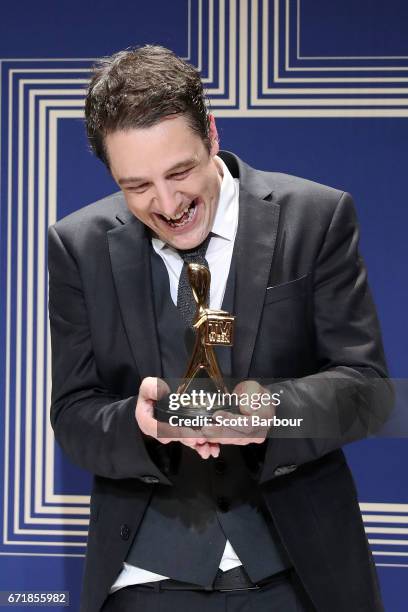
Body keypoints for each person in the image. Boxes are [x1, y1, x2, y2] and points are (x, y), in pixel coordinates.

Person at [48, 45, 393, 612]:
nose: (167, 203)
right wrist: (138, 427)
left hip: (299, 574)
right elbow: (74, 414)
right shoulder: (77, 245)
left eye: (180, 171)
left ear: (211, 131)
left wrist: (273, 410)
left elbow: (368, 390)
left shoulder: (317, 216)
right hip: (144, 580)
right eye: (136, 186)